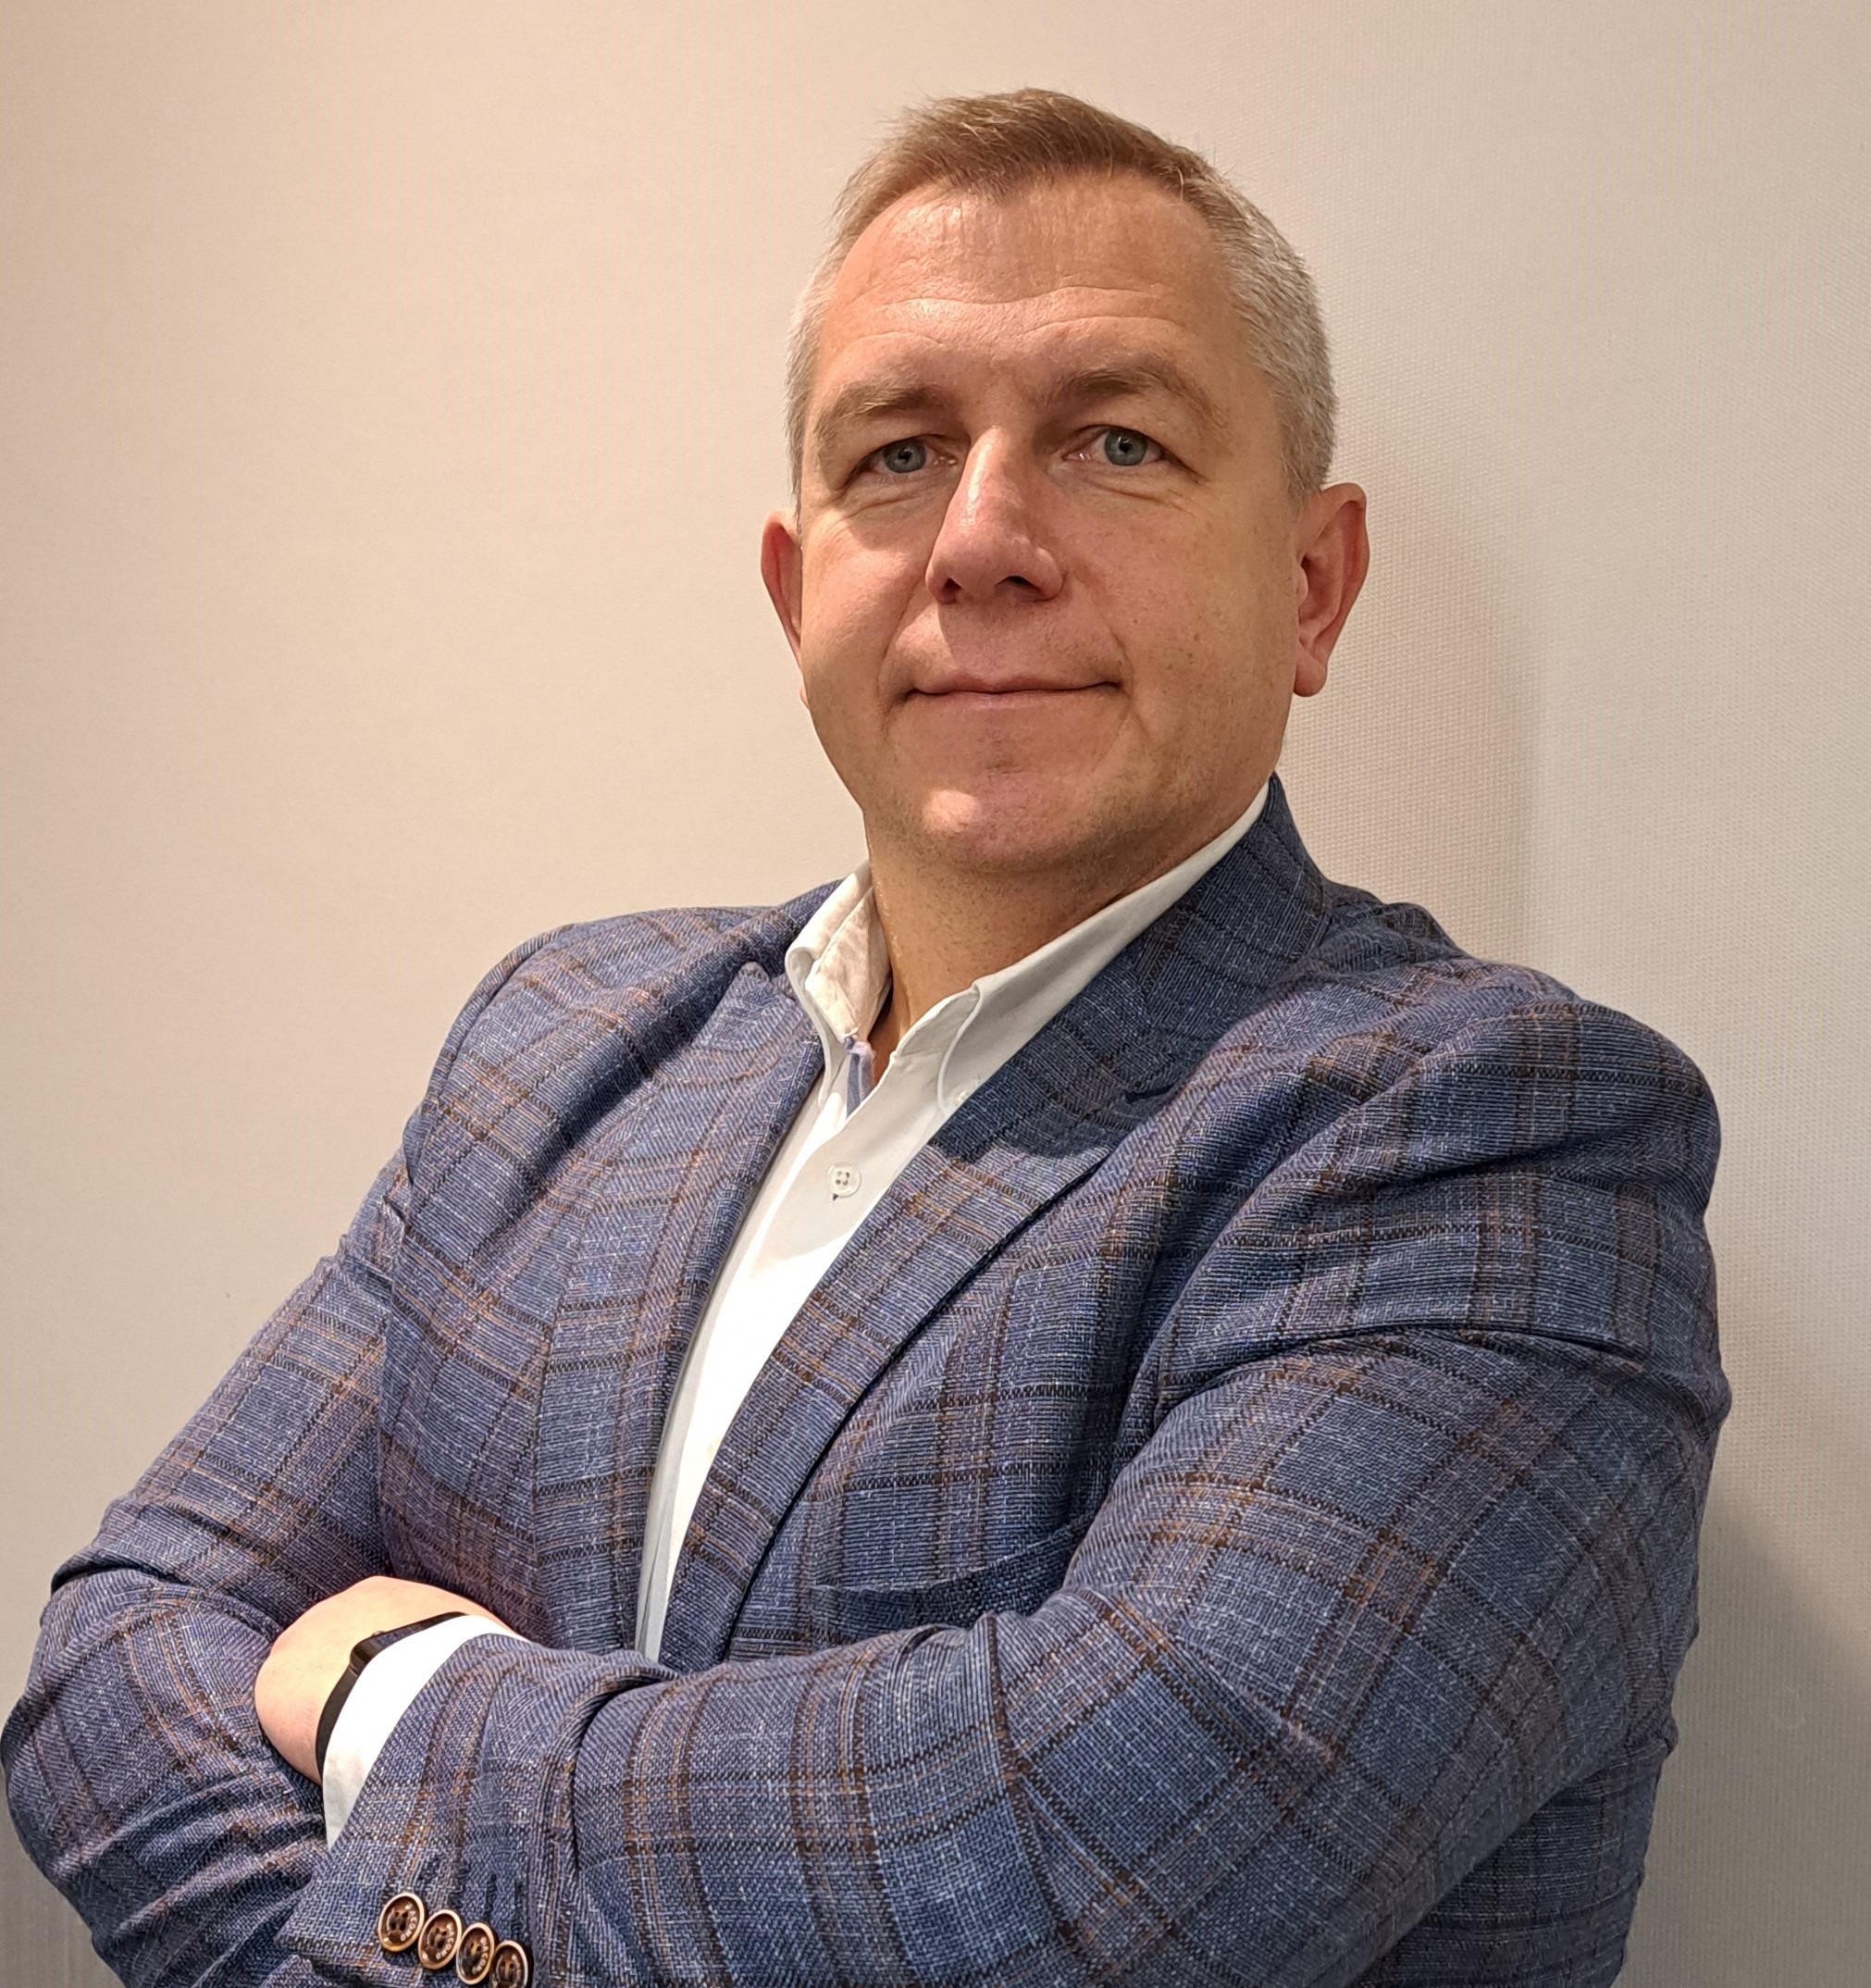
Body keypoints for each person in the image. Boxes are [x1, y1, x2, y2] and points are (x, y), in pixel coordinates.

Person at [3, 88, 1726, 1988]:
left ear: (1310, 585)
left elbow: (1065, 1873)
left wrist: (393, 1698)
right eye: (898, 455)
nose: (981, 540)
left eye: (1117, 442)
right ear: (795, 586)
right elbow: (118, 1656)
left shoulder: (1502, 1137)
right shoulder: (557, 1047)